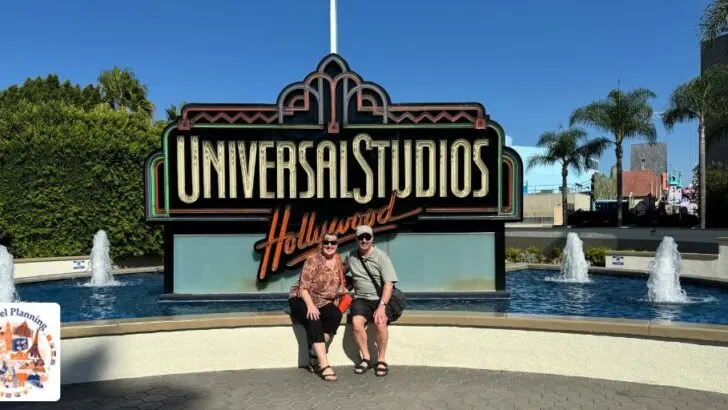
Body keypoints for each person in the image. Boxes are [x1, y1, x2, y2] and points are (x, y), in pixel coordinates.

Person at [288, 232, 347, 381]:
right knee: (314, 318)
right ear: (321, 244)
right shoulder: (312, 260)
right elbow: (303, 288)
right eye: (326, 242)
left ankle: (313, 352)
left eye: (333, 243)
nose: (329, 245)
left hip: (323, 300)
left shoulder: (338, 260)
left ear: (337, 245)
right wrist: (310, 306)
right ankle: (324, 365)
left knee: (335, 314)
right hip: (301, 298)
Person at [346, 225, 398, 377]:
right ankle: (366, 358)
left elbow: (389, 284)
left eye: (367, 237)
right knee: (356, 323)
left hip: (380, 299)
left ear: (372, 239)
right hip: (361, 298)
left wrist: (382, 307)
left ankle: (381, 360)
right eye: (361, 237)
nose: (364, 240)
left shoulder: (381, 257)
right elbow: (342, 272)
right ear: (356, 239)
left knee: (381, 323)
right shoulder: (352, 256)